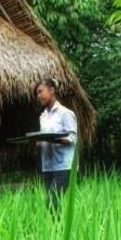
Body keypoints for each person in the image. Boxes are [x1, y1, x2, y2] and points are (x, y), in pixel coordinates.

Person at [35, 78, 78, 208]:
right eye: (37, 93)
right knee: (52, 203)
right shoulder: (43, 117)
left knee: (52, 201)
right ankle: (56, 227)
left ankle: (61, 227)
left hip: (64, 165)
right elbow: (45, 138)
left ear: (52, 90)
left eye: (40, 92)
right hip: (48, 165)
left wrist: (53, 139)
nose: (38, 96)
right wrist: (39, 141)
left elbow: (73, 137)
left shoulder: (65, 113)